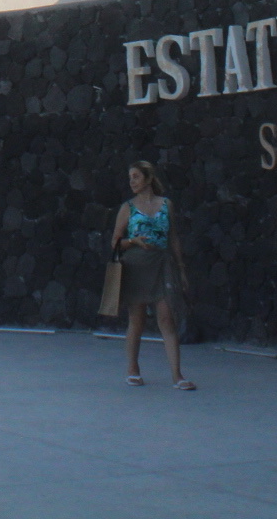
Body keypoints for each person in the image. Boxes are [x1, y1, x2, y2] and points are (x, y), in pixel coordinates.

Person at [110, 160, 194, 390]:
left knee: (167, 318)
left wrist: (181, 268)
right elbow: (115, 241)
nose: (132, 182)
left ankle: (177, 375)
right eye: (130, 178)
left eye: (136, 176)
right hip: (136, 265)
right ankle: (133, 368)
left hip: (161, 263)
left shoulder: (166, 204)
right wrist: (133, 241)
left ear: (148, 178)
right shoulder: (128, 207)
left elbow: (173, 237)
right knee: (136, 319)